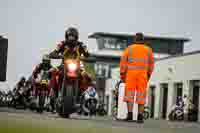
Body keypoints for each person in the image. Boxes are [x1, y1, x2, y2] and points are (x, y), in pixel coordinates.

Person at [120, 33, 154, 123]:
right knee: (141, 95)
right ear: (143, 40)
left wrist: (123, 75)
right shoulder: (148, 50)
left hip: (130, 75)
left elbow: (123, 63)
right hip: (143, 75)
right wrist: (148, 75)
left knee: (129, 95)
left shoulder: (129, 49)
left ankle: (130, 115)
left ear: (135, 39)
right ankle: (140, 117)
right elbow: (151, 65)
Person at [49, 27, 90, 93]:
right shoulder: (62, 44)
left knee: (86, 76)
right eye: (69, 36)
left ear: (76, 37)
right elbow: (53, 53)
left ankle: (83, 94)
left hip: (77, 67)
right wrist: (57, 55)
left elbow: (88, 55)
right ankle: (52, 92)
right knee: (53, 71)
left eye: (72, 37)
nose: (71, 38)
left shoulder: (81, 45)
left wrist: (87, 58)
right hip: (63, 66)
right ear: (66, 36)